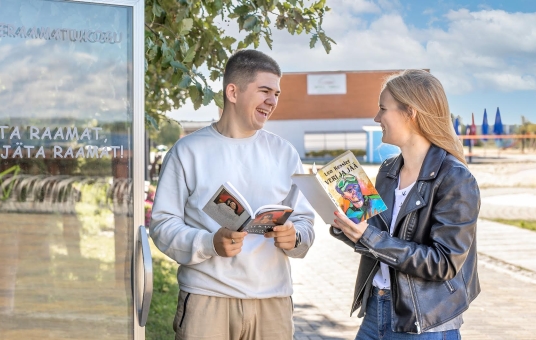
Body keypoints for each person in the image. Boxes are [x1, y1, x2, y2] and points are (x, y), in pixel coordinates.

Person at [150, 49, 315, 340]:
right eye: (264, 90)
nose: (273, 101)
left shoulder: (284, 153)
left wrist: (296, 236)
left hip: (273, 301)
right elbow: (162, 226)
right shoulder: (188, 152)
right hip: (206, 299)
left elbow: (303, 220)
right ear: (233, 92)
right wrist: (208, 242)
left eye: (276, 93)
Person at [330, 69, 480, 339]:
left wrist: (370, 237)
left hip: (424, 322)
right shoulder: (388, 170)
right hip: (375, 309)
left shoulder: (455, 177)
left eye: (382, 109)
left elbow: (443, 263)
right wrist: (346, 226)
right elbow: (374, 239)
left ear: (410, 112)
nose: (376, 118)